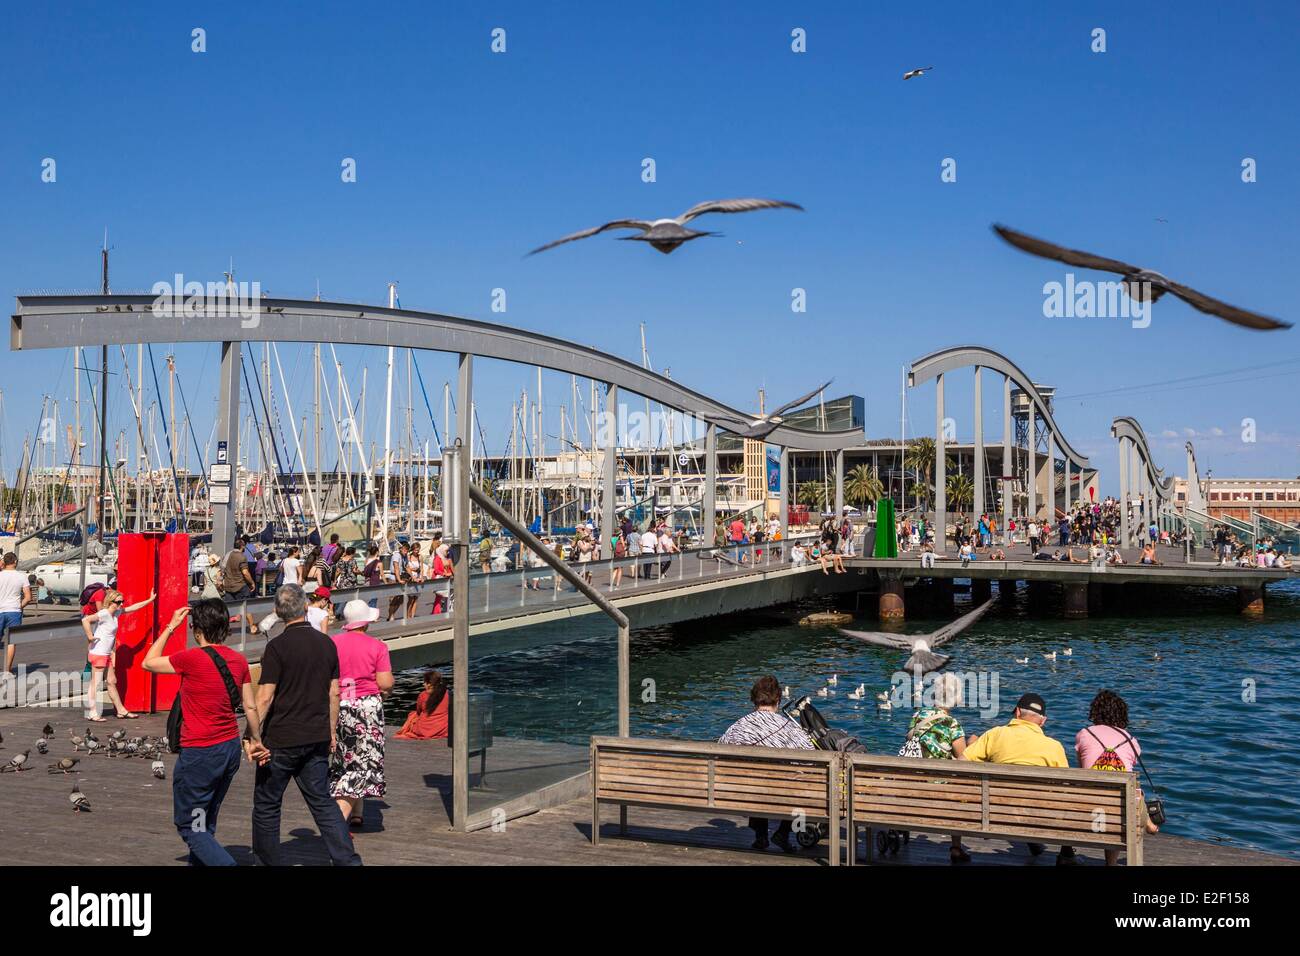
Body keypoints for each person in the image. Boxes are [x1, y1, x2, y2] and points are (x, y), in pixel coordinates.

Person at [142, 600, 267, 866]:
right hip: (229, 749)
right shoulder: (239, 660)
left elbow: (148, 662)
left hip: (200, 753)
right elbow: (251, 705)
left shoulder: (190, 658)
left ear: (196, 630)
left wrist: (170, 627)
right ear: (224, 627)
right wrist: (255, 739)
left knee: (190, 826)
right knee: (205, 822)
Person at [251, 584, 361, 866]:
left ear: (278, 612)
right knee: (322, 802)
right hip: (316, 736)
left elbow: (264, 697)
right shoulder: (326, 644)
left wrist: (252, 735)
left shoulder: (276, 647)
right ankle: (348, 860)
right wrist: (332, 730)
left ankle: (269, 861)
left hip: (281, 738)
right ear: (305, 608)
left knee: (267, 804)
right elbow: (334, 692)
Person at [961, 692, 1076, 864]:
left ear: (1016, 713)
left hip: (995, 811)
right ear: (1043, 721)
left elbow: (962, 762)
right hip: (1039, 814)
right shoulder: (1054, 747)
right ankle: (1066, 853)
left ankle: (1033, 839)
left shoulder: (995, 734)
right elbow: (1066, 788)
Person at [718, 675, 814, 852]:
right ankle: (783, 833)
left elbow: (719, 750)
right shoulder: (789, 727)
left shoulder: (738, 726)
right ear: (778, 699)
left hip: (746, 791)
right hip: (781, 791)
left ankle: (761, 837)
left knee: (755, 779)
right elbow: (810, 757)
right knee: (800, 782)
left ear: (754, 700)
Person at [1075, 689, 1161, 866]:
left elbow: (1081, 769)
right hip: (1122, 808)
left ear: (1095, 711)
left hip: (1087, 804)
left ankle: (1067, 853)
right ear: (1122, 714)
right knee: (1132, 794)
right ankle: (1112, 862)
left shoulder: (1084, 734)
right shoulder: (1130, 740)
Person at [329, 600, 394, 829]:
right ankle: (336, 825)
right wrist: (383, 693)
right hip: (365, 708)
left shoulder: (332, 643)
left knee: (346, 759)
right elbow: (385, 683)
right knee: (364, 763)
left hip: (338, 704)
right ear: (366, 623)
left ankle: (357, 812)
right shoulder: (377, 646)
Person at [906, 673, 980, 863]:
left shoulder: (918, 715)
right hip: (942, 787)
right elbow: (963, 759)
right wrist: (974, 743)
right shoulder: (952, 724)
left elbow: (910, 740)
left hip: (914, 782)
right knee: (961, 785)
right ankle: (956, 847)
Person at [81, 588, 156, 721]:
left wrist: (149, 600)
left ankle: (121, 710)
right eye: (119, 602)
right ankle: (92, 713)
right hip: (99, 653)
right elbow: (85, 620)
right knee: (96, 683)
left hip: (106, 653)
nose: (122, 604)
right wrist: (90, 636)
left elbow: (133, 608)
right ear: (111, 602)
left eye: (122, 601)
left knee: (111, 681)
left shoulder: (116, 613)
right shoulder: (104, 613)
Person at [0, 552, 31, 678]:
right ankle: (7, 671)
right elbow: (28, 597)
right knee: (11, 642)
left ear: (4, 562)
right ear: (15, 562)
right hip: (14, 611)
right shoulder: (22, 576)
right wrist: (19, 606)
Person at [395, 670, 449, 740]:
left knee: (412, 715)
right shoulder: (447, 694)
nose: (423, 684)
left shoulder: (423, 695)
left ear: (429, 684)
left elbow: (418, 711)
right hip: (442, 729)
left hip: (422, 730)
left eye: (425, 682)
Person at [220, 537, 259, 635]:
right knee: (246, 607)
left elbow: (222, 568)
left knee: (228, 608)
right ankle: (252, 627)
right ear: (242, 546)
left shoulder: (228, 554)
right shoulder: (242, 557)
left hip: (228, 585)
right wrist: (251, 583)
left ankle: (225, 628)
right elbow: (245, 573)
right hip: (240, 585)